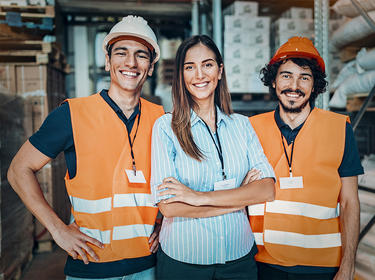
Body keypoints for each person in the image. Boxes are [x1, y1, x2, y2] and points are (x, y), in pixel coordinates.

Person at [7, 15, 164, 279]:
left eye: (141, 55)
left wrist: (163, 223)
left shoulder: (161, 119)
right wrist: (57, 229)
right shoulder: (72, 114)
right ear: (107, 60)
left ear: (150, 67)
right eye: (121, 53)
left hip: (146, 266)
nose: (131, 63)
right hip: (91, 266)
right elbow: (18, 170)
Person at [150, 35, 275, 280]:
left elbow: (267, 190)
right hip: (184, 262)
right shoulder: (166, 127)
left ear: (220, 71)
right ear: (181, 76)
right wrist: (240, 198)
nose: (199, 75)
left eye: (207, 65)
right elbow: (169, 206)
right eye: (189, 67)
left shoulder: (242, 126)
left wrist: (196, 197)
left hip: (239, 261)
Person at [247, 36, 364, 280]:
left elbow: (351, 203)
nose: (294, 85)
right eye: (286, 75)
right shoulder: (251, 129)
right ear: (274, 81)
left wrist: (348, 265)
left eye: (305, 77)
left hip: (322, 266)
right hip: (262, 263)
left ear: (315, 86)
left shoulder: (339, 129)